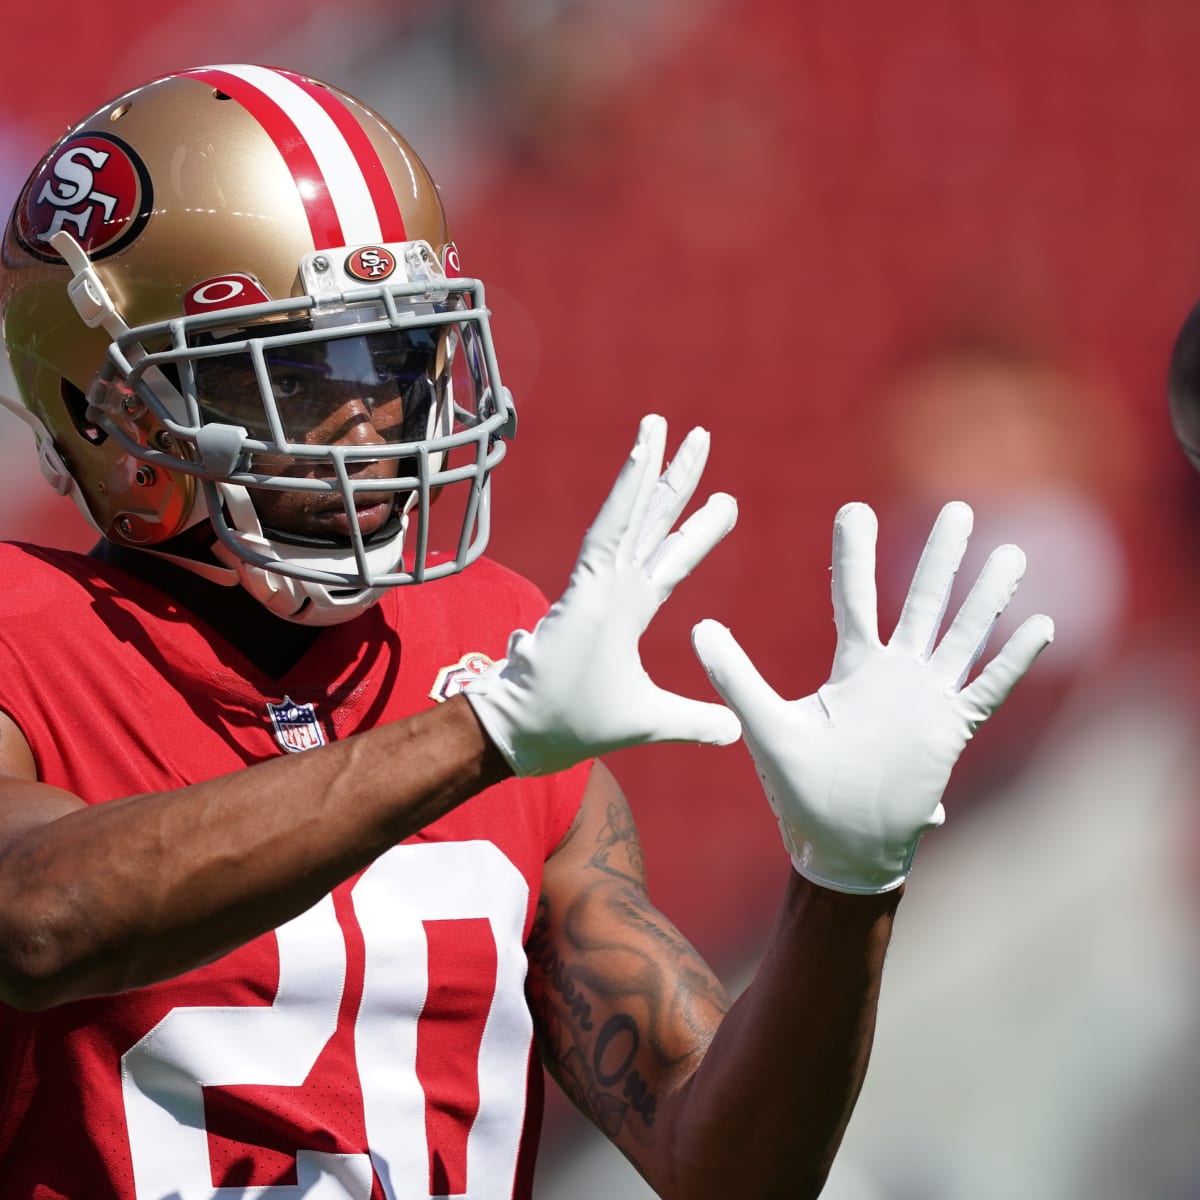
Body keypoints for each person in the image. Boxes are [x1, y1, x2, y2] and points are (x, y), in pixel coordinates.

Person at [0, 65, 1053, 1200]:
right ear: (110, 409)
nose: (377, 421)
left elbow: (729, 1170)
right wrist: (482, 733)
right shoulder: (31, 635)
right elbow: (38, 920)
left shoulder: (487, 639)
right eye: (304, 370)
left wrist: (847, 886)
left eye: (396, 357)